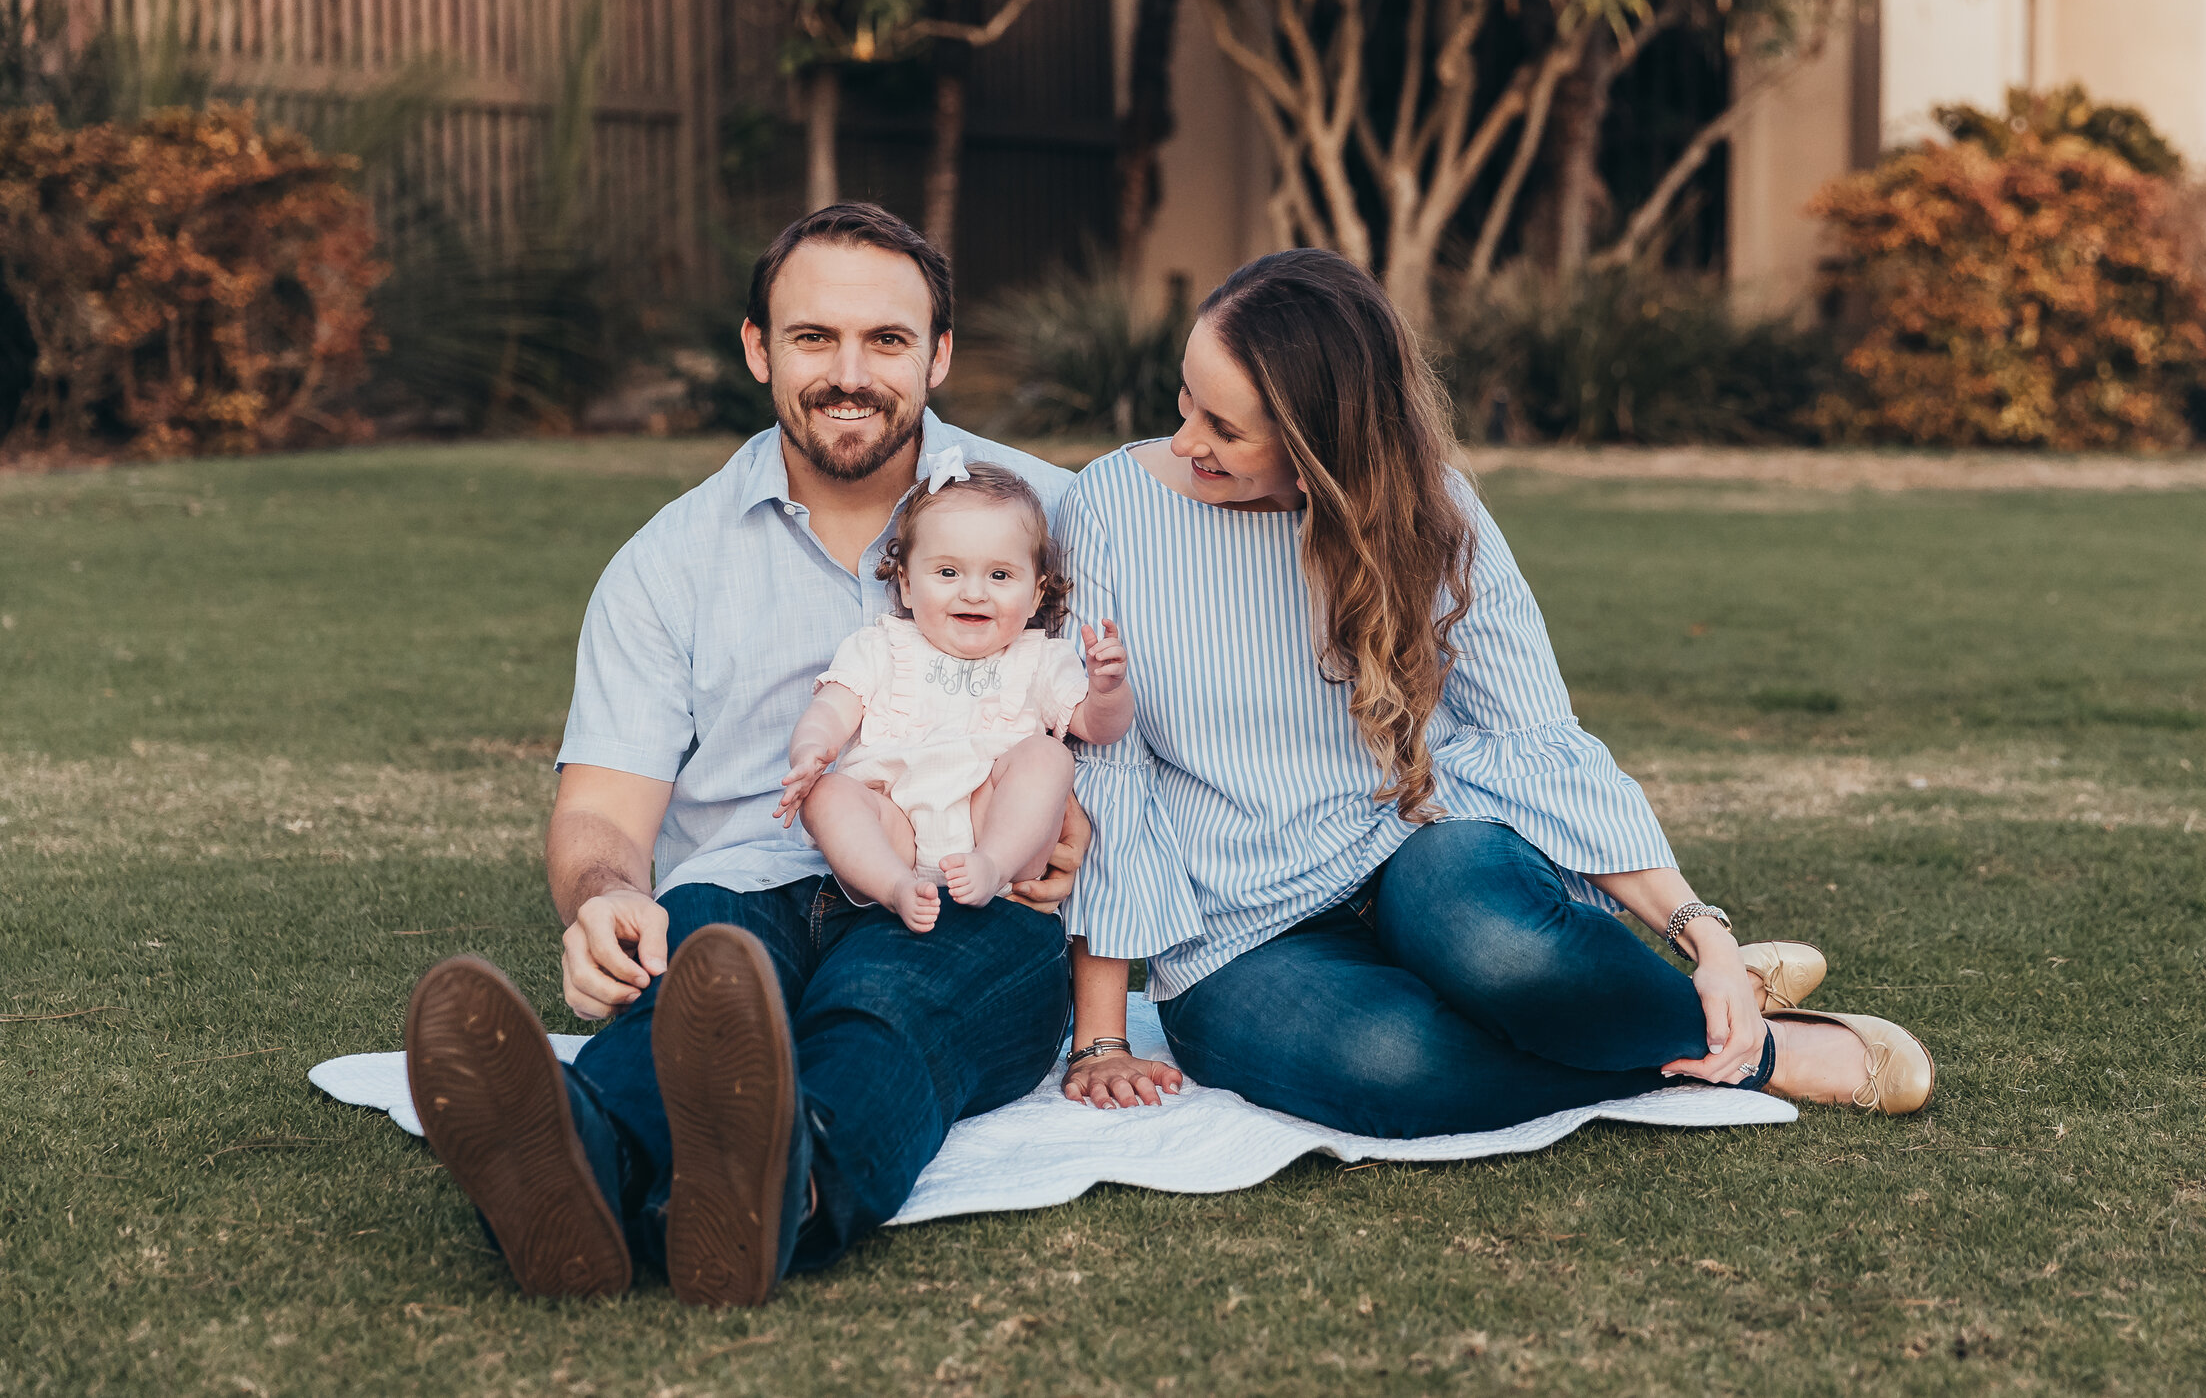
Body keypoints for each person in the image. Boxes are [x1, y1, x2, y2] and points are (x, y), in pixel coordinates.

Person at [1054, 249, 1935, 1132]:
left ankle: (1713, 1000)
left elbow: (1534, 739)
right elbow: (1110, 770)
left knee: (1509, 953)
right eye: (1186, 398)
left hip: (1415, 853)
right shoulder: (1108, 507)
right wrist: (1100, 1037)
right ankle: (1754, 1046)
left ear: (1322, 446)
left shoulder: (1429, 510)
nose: (1184, 439)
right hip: (1237, 935)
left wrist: (1699, 928)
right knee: (1400, 1067)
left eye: (1226, 427)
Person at [403, 203, 1086, 1308]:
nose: (850, 373)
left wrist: (1079, 816)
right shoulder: (667, 559)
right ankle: (575, 1163)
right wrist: (603, 898)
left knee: (883, 1012)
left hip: (959, 895)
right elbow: (602, 814)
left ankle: (778, 1185)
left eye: (888, 341)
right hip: (747, 882)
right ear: (758, 348)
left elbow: (1118, 724)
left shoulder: (1052, 515)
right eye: (814, 338)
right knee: (697, 988)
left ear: (941, 353)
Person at [776, 453, 1135, 929]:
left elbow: (1097, 727)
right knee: (827, 796)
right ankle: (893, 887)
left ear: (1035, 594)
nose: (973, 593)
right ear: (905, 583)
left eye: (1000, 575)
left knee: (1049, 759)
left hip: (990, 822)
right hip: (894, 825)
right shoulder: (881, 646)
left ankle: (993, 866)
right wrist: (811, 749)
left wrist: (1108, 689)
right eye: (948, 573)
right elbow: (832, 707)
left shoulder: (1040, 659)